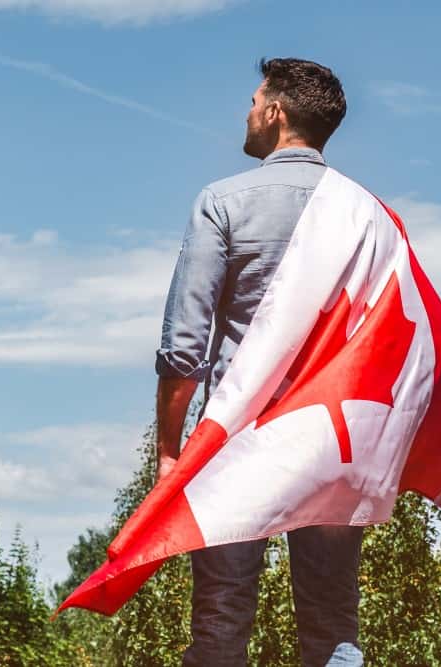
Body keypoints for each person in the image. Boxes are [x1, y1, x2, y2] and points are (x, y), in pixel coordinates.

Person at [154, 58, 364, 666]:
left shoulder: (223, 202)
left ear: (274, 113)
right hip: (332, 438)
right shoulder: (367, 215)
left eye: (252, 101)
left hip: (237, 438)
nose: (246, 113)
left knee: (221, 619)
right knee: (332, 624)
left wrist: (171, 452)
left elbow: (185, 347)